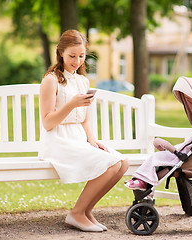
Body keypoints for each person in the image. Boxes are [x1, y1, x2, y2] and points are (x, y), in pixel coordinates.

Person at [38, 30, 129, 232]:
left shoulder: (83, 81)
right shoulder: (51, 80)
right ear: (60, 52)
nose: (77, 61)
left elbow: (85, 118)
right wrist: (71, 104)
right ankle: (77, 213)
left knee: (122, 164)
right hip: (59, 142)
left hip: (78, 139)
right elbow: (47, 122)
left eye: (81, 56)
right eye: (72, 56)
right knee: (112, 164)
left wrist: (93, 142)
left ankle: (86, 211)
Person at [124, 132, 192, 195]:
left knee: (155, 157)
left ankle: (142, 182)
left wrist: (176, 153)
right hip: (177, 155)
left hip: (178, 157)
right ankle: (142, 182)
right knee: (156, 161)